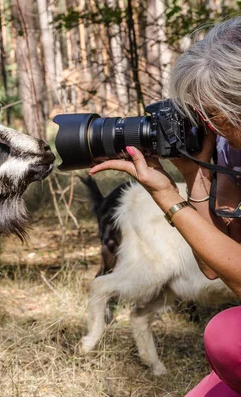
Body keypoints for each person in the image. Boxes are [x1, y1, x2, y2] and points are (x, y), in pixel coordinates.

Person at [88, 17, 241, 396]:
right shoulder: (228, 151)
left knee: (224, 336)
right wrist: (192, 179)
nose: (205, 125)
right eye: (198, 113)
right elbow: (211, 266)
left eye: (214, 113)